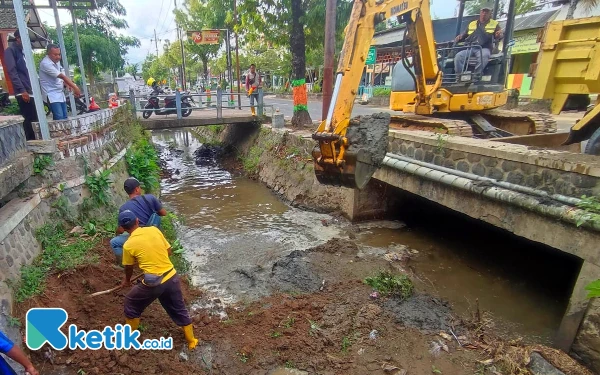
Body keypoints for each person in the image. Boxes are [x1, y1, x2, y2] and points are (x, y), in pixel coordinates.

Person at [118, 210, 199, 350]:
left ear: (122, 228)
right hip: (171, 276)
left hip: (153, 283)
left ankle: (129, 337)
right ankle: (192, 340)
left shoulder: (128, 245)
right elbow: (168, 252)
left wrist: (127, 280)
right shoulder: (154, 230)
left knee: (131, 302)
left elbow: (129, 267)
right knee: (179, 308)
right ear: (137, 221)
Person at [110, 177, 167, 267]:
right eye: (140, 187)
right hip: (154, 234)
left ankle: (123, 266)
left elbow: (121, 229)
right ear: (137, 189)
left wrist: (117, 233)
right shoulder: (150, 198)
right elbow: (163, 213)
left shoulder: (123, 208)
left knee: (114, 242)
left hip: (137, 238)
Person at [4, 30, 38, 140]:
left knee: (35, 118)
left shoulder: (24, 52)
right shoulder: (11, 51)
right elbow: (12, 72)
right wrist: (22, 90)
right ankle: (31, 142)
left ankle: (36, 140)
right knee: (29, 119)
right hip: (23, 91)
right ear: (18, 38)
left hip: (31, 89)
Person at [454, 2, 504, 76]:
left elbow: (499, 35)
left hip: (484, 48)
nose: (484, 13)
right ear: (480, 12)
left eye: (487, 12)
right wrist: (459, 37)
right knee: (458, 56)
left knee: (483, 56)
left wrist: (499, 35)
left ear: (490, 14)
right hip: (470, 47)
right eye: (483, 11)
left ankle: (476, 76)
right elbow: (464, 34)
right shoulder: (472, 23)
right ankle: (459, 77)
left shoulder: (494, 24)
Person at [39, 43, 81, 120]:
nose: (58, 57)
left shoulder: (56, 61)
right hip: (51, 94)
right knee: (59, 117)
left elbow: (62, 75)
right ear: (48, 54)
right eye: (55, 55)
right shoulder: (46, 64)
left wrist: (67, 84)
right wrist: (75, 87)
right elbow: (62, 76)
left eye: (59, 54)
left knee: (65, 116)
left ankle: (66, 132)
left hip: (60, 93)